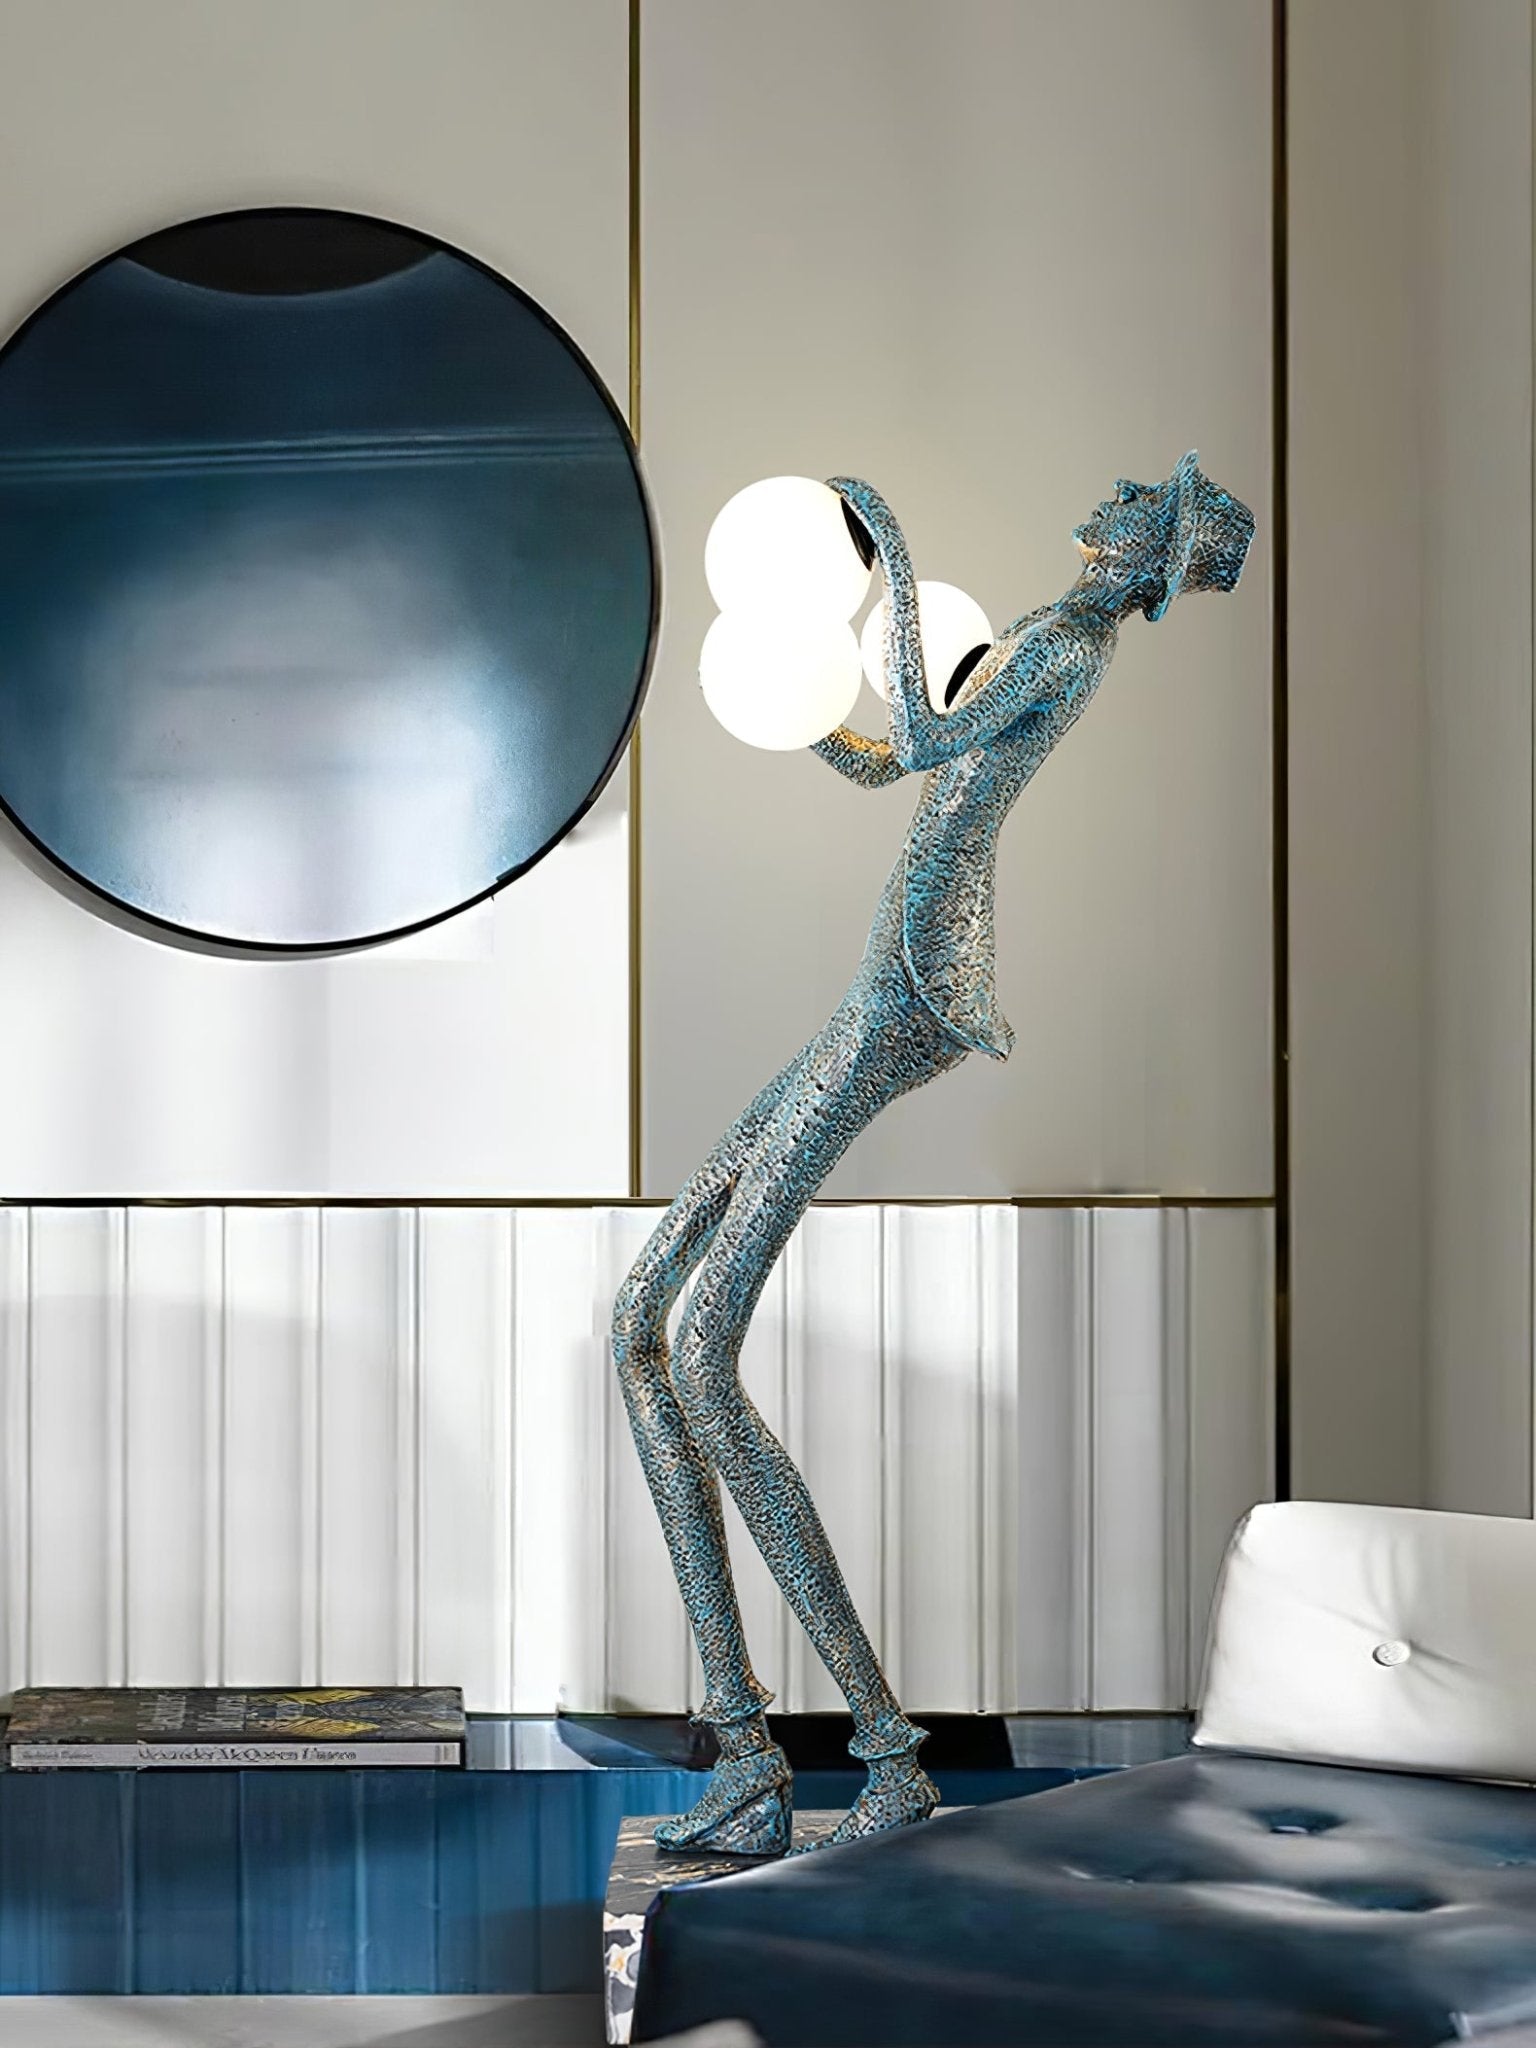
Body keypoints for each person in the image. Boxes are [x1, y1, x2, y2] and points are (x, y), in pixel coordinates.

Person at [612, 453, 1255, 1855]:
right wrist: (786, 693)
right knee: (640, 1325)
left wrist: (887, 553)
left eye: (1142, 497)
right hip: (879, 981)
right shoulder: (1042, 625)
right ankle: (745, 1750)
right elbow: (878, 758)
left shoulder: (1069, 645)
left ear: (1150, 549)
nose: (1116, 493)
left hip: (911, 990)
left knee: (701, 1352)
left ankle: (881, 1760)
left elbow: (914, 737)